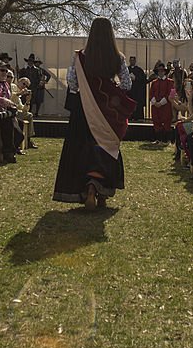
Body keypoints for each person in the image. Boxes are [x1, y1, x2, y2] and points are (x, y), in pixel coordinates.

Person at [53, 17, 134, 209]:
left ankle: (86, 188)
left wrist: (88, 89)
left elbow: (72, 83)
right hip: (107, 110)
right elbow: (127, 84)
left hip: (84, 107)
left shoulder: (80, 56)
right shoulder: (118, 57)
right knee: (106, 147)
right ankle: (102, 192)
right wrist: (109, 89)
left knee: (81, 147)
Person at [148, 61, 174, 144]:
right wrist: (155, 102)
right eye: (159, 71)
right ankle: (158, 139)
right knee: (156, 121)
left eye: (162, 71)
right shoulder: (154, 82)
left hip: (166, 105)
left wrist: (161, 102)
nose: (160, 72)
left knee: (166, 121)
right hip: (155, 105)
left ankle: (166, 140)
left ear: (165, 72)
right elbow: (151, 93)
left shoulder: (170, 82)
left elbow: (171, 93)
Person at [126, 55, 148, 120]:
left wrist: (136, 78)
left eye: (133, 60)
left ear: (135, 61)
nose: (132, 61)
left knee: (138, 107)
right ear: (129, 61)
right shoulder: (127, 69)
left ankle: (138, 117)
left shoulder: (139, 70)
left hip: (137, 92)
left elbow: (143, 80)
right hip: (129, 92)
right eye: (131, 60)